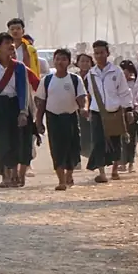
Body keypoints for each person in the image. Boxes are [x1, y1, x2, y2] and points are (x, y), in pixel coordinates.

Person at [0, 32, 36, 187]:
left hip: (15, 106)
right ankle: (5, 176)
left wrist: (23, 112)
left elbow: (24, 90)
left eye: (12, 43)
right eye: (7, 43)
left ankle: (14, 175)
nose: (11, 46)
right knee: (2, 142)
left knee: (16, 141)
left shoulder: (19, 67)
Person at [37, 48, 87, 190]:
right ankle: (61, 180)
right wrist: (38, 121)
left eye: (63, 59)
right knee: (56, 149)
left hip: (70, 117)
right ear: (54, 61)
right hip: (53, 118)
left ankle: (69, 173)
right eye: (58, 59)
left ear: (69, 62)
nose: (60, 62)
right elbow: (41, 102)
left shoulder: (74, 79)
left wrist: (83, 108)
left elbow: (82, 97)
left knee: (72, 148)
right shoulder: (46, 80)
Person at [83, 41, 130, 184]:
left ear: (107, 53)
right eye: (96, 53)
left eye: (102, 52)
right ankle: (102, 172)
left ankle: (115, 169)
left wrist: (128, 109)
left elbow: (124, 92)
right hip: (97, 112)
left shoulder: (116, 71)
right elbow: (89, 94)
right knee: (98, 142)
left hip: (115, 111)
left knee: (115, 141)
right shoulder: (91, 74)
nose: (99, 55)